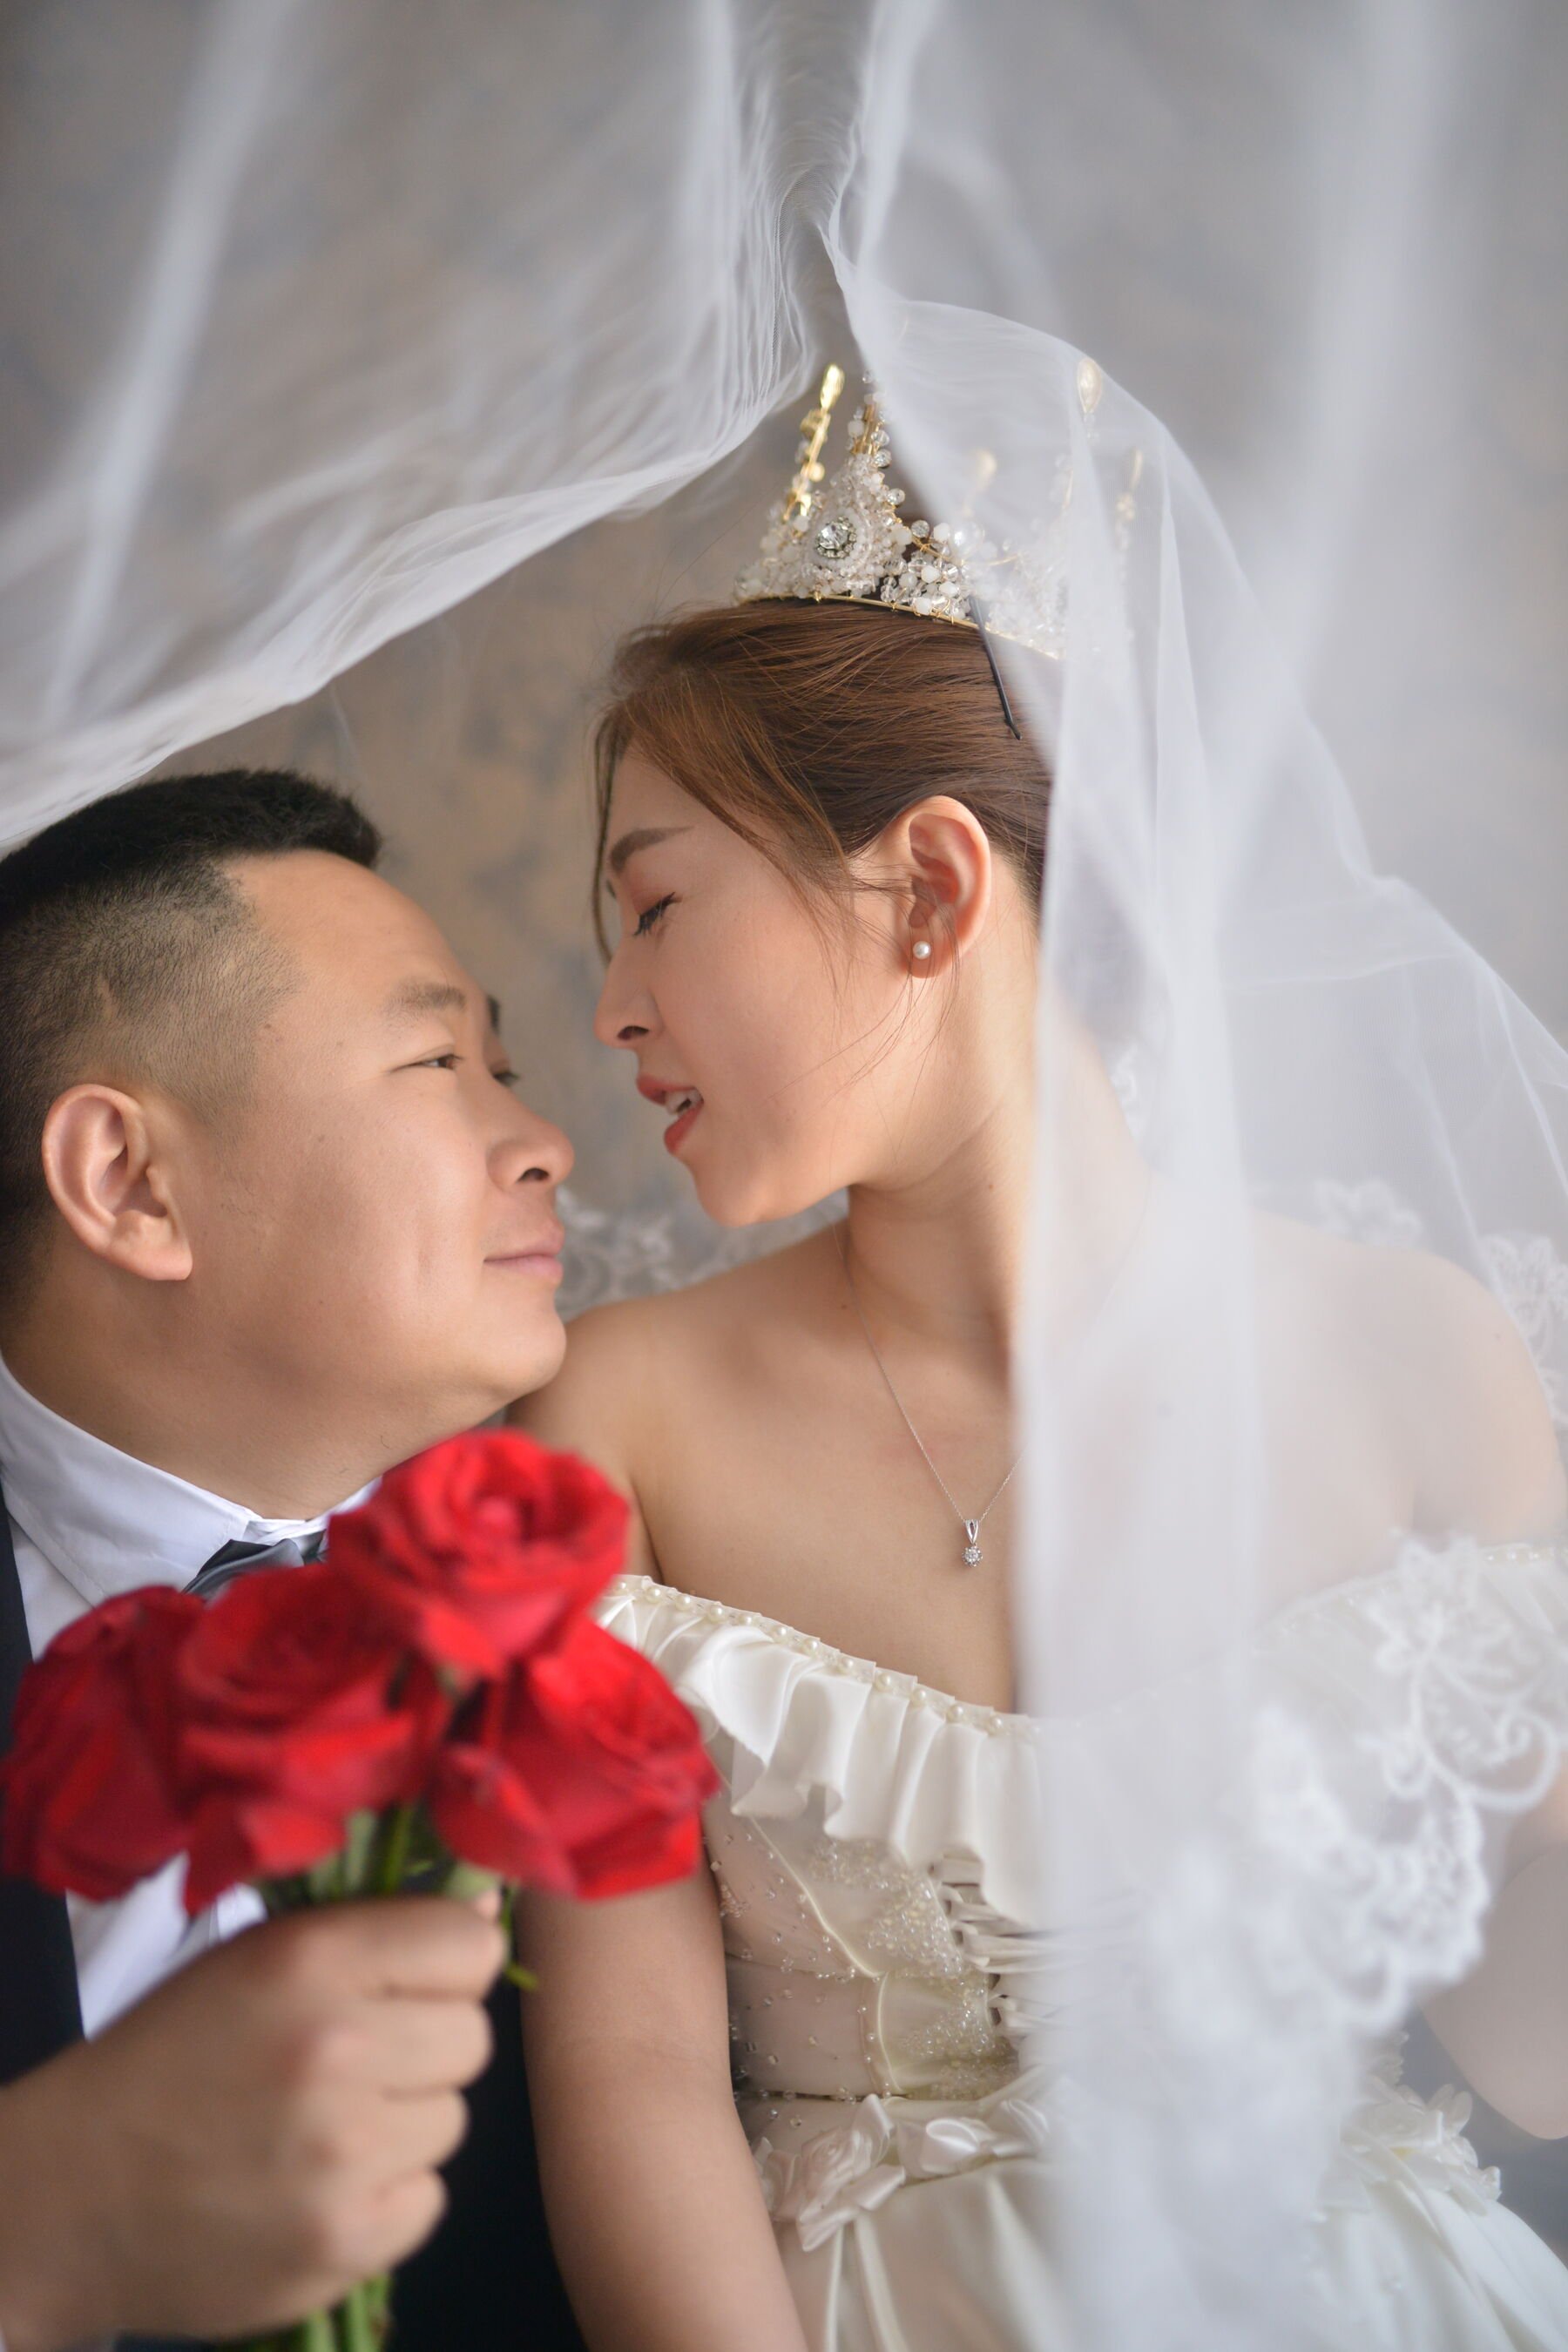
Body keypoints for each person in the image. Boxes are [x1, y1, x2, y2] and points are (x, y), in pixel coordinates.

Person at [514, 435, 1568, 2343]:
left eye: (655, 907)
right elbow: (632, 2072)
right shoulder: (617, 1419)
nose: (609, 1009)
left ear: (931, 888)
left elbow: (1535, 2051)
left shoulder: (1416, 1362)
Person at [0, 771, 585, 2352]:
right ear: (131, 1183)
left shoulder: (613, 1573)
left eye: (507, 1070)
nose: (544, 1143)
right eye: (439, 1064)